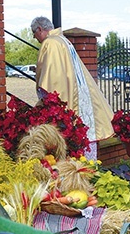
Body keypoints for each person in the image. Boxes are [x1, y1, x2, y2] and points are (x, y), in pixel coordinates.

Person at [31, 16, 114, 159]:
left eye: (34, 33)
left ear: (40, 29)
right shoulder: (64, 40)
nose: (35, 38)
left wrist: (46, 97)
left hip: (68, 96)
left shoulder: (50, 43)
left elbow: (52, 77)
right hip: (80, 93)